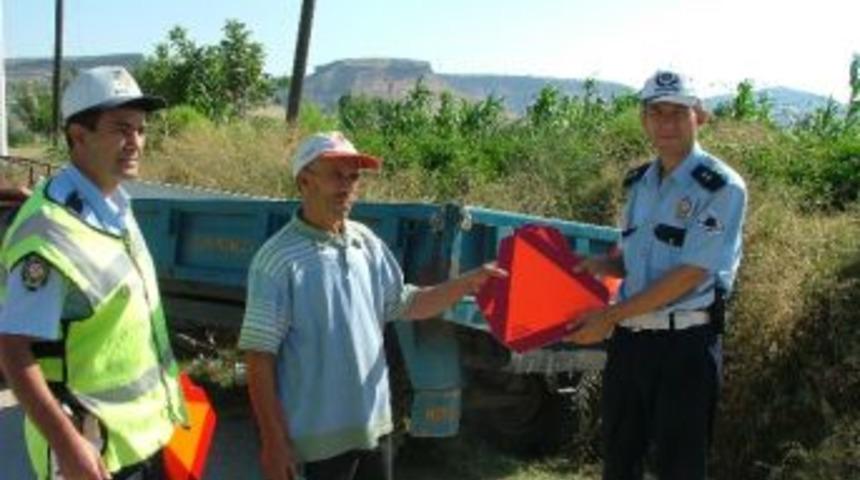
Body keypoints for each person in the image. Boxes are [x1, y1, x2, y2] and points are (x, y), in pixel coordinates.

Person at [239, 131, 505, 480]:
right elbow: (259, 358)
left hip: (375, 432)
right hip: (315, 445)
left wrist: (468, 282)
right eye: (336, 175)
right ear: (304, 181)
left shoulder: (365, 243)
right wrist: (274, 442)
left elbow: (407, 303)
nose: (347, 186)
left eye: (353, 177)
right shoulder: (277, 260)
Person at [0, 66, 186, 480]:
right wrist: (68, 446)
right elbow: (12, 349)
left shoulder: (116, 206)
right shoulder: (50, 230)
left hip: (145, 439)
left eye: (141, 129)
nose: (135, 141)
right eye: (121, 129)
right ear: (78, 136)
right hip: (94, 454)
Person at [567, 70, 747, 480]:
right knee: (619, 462)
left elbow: (689, 274)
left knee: (679, 468)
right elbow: (636, 256)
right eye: (656, 112)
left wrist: (609, 317)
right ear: (643, 120)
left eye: (678, 113)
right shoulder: (640, 183)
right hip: (630, 345)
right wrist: (600, 266)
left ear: (699, 116)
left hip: (684, 347)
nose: (666, 123)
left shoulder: (721, 187)